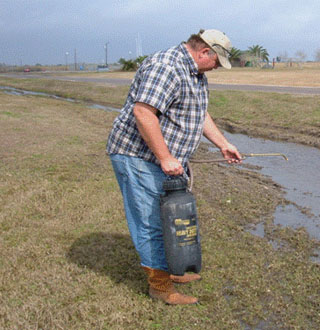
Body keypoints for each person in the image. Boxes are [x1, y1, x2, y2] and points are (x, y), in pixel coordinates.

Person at [107, 29, 241, 305]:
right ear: (204, 52)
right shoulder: (167, 67)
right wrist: (166, 157)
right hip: (138, 156)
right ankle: (160, 287)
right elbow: (143, 112)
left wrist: (223, 143)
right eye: (216, 61)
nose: (216, 68)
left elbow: (198, 112)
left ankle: (171, 269)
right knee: (151, 222)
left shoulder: (195, 74)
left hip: (161, 158)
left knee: (168, 219)